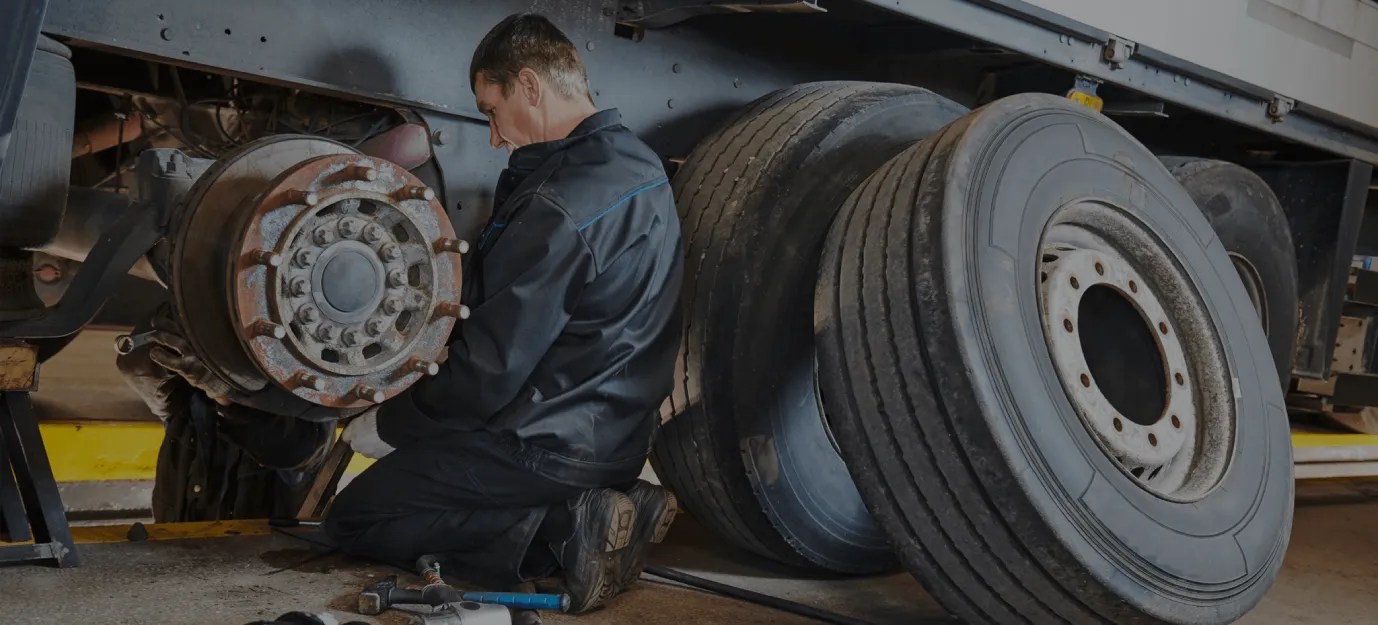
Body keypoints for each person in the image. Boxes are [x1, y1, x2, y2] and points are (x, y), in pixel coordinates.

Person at [119, 13, 683, 614]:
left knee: (358, 519)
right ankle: (625, 503)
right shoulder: (641, 170)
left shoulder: (558, 203)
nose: (494, 136)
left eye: (491, 110)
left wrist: (390, 426)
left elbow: (487, 375)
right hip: (614, 439)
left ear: (530, 85)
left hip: (546, 446)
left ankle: (564, 531)